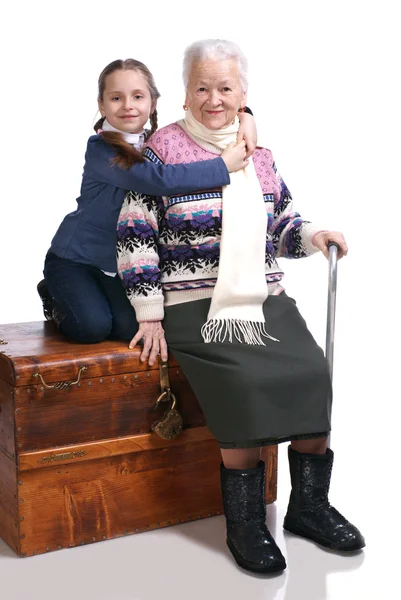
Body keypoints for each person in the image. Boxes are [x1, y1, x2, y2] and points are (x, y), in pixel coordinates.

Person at [116, 40, 365, 575]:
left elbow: (283, 224)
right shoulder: (160, 151)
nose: (213, 98)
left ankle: (310, 509)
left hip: (263, 297)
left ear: (243, 93)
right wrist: (149, 309)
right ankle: (246, 524)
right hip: (195, 306)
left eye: (225, 88)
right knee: (246, 388)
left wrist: (316, 235)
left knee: (312, 375)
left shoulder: (262, 155)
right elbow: (135, 231)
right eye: (201, 87)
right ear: (185, 92)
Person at [37, 58, 255, 344]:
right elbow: (159, 179)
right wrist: (222, 166)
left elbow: (215, 113)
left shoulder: (157, 143)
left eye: (138, 96)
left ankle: (91, 299)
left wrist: (246, 115)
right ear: (102, 105)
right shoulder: (101, 151)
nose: (128, 105)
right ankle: (52, 294)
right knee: (92, 328)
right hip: (75, 259)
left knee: (130, 330)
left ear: (152, 104)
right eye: (116, 98)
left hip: (116, 265)